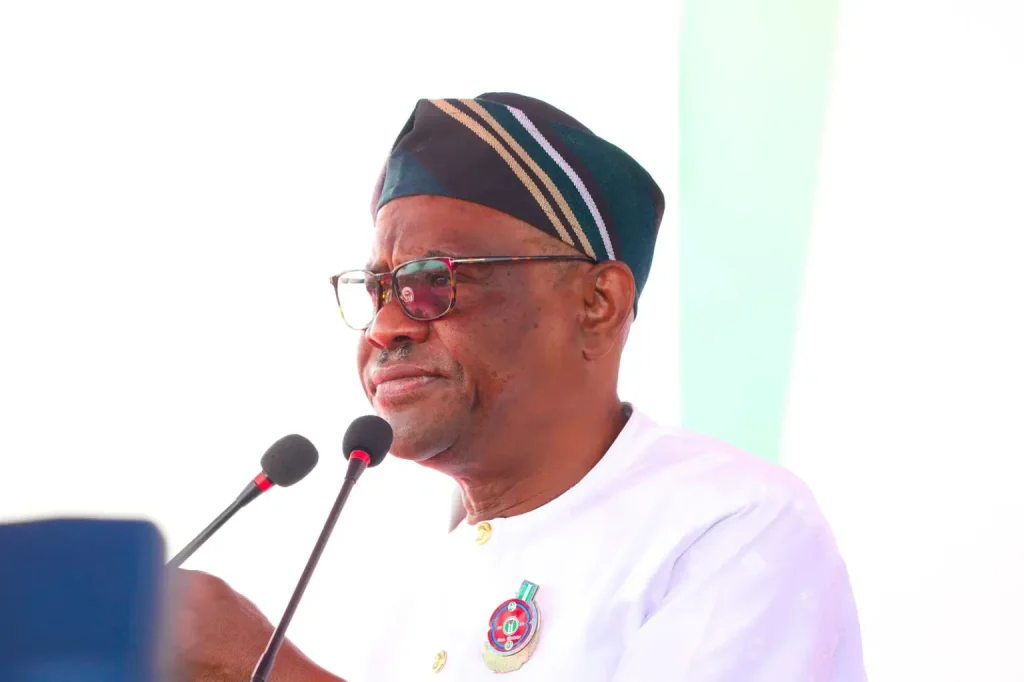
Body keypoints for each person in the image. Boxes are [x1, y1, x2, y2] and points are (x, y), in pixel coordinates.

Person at [173, 93, 866, 681]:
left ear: (597, 303)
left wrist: (261, 668)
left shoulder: (732, 527)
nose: (385, 327)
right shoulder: (406, 596)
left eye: (432, 281)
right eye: (377, 288)